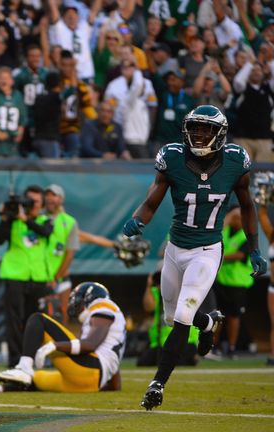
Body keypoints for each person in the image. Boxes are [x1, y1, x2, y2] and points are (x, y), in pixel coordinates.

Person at [121, 105, 266, 410]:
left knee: (182, 317)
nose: (199, 134)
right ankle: (209, 322)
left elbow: (249, 206)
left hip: (207, 250)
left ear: (220, 134)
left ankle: (157, 384)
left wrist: (254, 247)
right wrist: (139, 220)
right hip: (175, 248)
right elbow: (154, 197)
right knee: (171, 316)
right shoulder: (173, 157)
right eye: (195, 128)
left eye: (206, 129)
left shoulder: (235, 162)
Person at [0, 282, 125, 393]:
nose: (76, 304)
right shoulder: (113, 319)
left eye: (79, 299)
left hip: (89, 370)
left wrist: (55, 346)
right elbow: (115, 383)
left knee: (38, 319)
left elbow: (90, 345)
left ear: (90, 297)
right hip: (89, 383)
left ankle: (24, 367)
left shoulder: (103, 307)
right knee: (37, 379)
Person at [0, 184, 54, 368]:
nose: (32, 204)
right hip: (15, 275)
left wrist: (24, 219)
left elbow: (46, 232)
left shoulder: (45, 220)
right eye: (28, 201)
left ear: (41, 204)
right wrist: (5, 217)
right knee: (14, 320)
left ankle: (31, 359)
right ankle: (15, 361)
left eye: (35, 201)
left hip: (38, 278)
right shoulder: (14, 222)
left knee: (34, 321)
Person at [214, 205, 255, 358]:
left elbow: (240, 255)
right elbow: (215, 241)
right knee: (217, 314)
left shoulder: (247, 235)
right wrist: (228, 219)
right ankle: (213, 346)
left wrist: (221, 257)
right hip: (220, 280)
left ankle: (231, 347)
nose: (237, 220)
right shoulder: (225, 231)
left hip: (238, 283)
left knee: (234, 316)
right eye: (234, 217)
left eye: (238, 217)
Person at [44, 185, 80, 324]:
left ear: (61, 199)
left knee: (62, 312)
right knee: (42, 314)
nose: (50, 198)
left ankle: (61, 344)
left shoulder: (69, 222)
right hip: (40, 276)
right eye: (47, 195)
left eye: (54, 195)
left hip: (60, 277)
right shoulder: (38, 219)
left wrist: (56, 277)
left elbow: (69, 253)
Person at [256, 205, 274, 366]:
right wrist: (263, 202)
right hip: (273, 288)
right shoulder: (271, 236)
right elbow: (261, 216)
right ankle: (273, 355)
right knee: (273, 322)